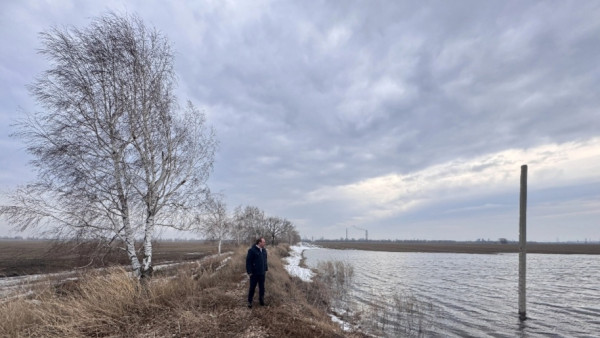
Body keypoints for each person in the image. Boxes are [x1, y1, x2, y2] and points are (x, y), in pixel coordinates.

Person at [246, 237, 268, 308]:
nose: (265, 243)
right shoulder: (252, 250)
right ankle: (249, 302)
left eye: (264, 242)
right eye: (263, 242)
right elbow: (248, 262)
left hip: (262, 273)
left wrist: (265, 269)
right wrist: (249, 272)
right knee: (252, 288)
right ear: (259, 243)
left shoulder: (264, 250)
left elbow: (265, 260)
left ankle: (261, 301)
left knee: (262, 288)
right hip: (254, 274)